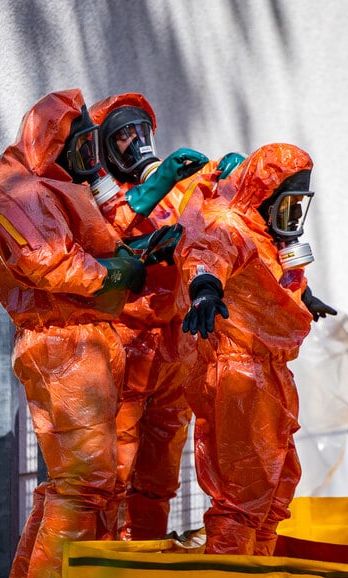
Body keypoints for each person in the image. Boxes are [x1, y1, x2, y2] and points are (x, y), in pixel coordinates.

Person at [0, 88, 146, 578]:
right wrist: (115, 273)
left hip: (77, 342)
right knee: (84, 484)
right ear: (53, 142)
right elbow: (52, 263)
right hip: (64, 346)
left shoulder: (46, 188)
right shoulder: (23, 193)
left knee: (71, 485)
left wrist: (127, 259)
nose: (88, 161)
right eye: (82, 147)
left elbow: (79, 247)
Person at [175, 142, 337, 556]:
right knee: (243, 497)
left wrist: (305, 297)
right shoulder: (231, 225)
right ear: (265, 195)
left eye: (300, 205)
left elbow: (271, 279)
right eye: (287, 204)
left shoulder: (264, 234)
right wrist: (205, 292)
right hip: (240, 374)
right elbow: (207, 256)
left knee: (276, 490)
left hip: (269, 374)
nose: (293, 217)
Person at [88, 93, 209, 540]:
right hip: (124, 344)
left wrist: (232, 178)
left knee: (159, 473)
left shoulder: (174, 191)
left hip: (173, 347)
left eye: (141, 132)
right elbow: (100, 241)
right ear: (103, 145)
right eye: (122, 135)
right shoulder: (94, 193)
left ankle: (148, 565)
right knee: (113, 470)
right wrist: (144, 242)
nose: (135, 143)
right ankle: (106, 577)